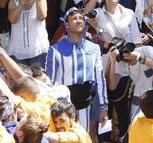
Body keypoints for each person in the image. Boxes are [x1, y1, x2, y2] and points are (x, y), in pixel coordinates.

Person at [46, 8, 108, 138]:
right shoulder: (55, 50)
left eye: (81, 18)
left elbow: (100, 78)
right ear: (67, 25)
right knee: (63, 137)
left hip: (84, 102)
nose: (78, 21)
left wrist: (103, 107)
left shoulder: (94, 48)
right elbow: (49, 81)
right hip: (62, 105)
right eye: (74, 18)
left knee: (82, 135)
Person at [7, 0, 49, 68]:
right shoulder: (13, 2)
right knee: (21, 82)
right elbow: (13, 20)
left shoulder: (41, 0)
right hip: (17, 52)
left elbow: (41, 17)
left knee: (39, 81)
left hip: (38, 51)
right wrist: (23, 2)